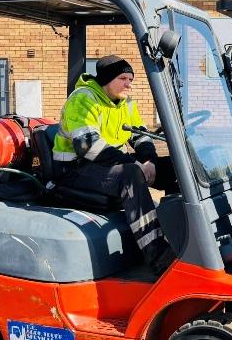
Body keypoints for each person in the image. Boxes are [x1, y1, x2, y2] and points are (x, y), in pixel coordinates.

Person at [52, 54, 176, 274]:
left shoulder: (125, 103)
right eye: (123, 78)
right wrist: (135, 165)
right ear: (107, 79)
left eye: (130, 79)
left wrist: (149, 161)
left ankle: (183, 236)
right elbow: (87, 146)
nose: (129, 84)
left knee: (176, 169)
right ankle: (158, 256)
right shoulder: (83, 99)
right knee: (130, 174)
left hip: (105, 165)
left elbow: (141, 136)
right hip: (73, 170)